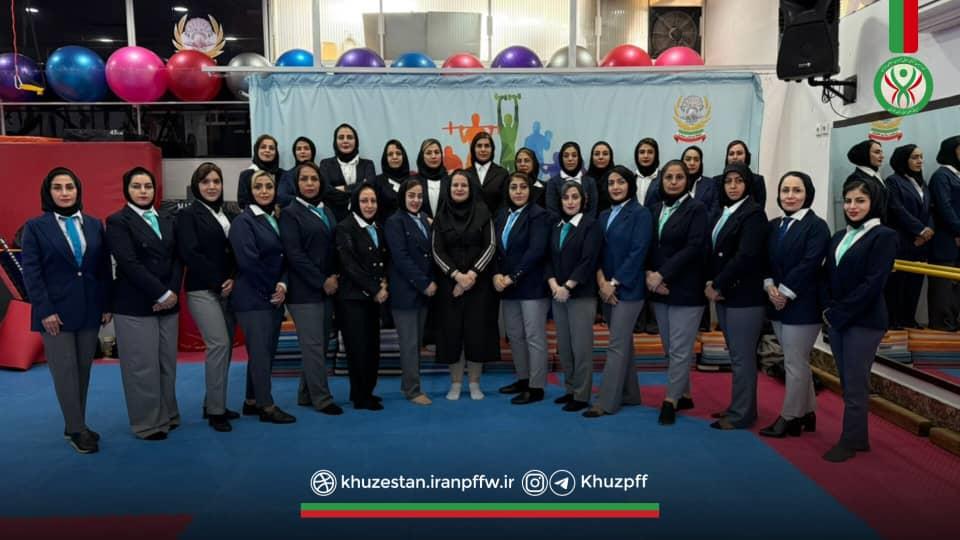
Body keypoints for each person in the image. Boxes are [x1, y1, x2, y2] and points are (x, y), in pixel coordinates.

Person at [21, 167, 111, 453]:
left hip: (89, 308)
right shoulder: (35, 227)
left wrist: (106, 304)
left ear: (78, 190)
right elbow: (31, 273)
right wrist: (45, 310)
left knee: (82, 371)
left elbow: (102, 269)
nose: (64, 193)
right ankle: (76, 429)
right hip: (54, 314)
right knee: (65, 372)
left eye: (69, 187)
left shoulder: (94, 225)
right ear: (48, 193)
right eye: (57, 188)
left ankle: (75, 422)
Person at [821, 177, 897, 462]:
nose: (852, 206)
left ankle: (851, 440)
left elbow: (873, 284)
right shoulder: (839, 236)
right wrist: (828, 308)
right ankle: (859, 437)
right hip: (838, 318)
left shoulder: (884, 236)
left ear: (873, 203)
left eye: (860, 201)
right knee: (847, 380)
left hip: (864, 321)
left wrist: (838, 313)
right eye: (848, 200)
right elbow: (827, 276)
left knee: (855, 383)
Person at [106, 167, 183, 440]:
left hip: (169, 303)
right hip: (135, 305)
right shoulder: (117, 221)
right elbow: (129, 263)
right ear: (126, 189)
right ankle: (147, 423)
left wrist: (172, 291)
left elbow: (177, 258)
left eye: (147, 186)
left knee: (167, 364)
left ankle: (168, 414)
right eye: (136, 186)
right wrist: (160, 294)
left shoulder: (166, 218)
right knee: (142, 367)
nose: (142, 191)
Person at [759, 172, 829, 438]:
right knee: (796, 361)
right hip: (776, 302)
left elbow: (810, 263)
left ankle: (790, 417)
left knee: (794, 363)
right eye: (785, 190)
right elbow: (765, 260)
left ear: (807, 193)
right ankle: (808, 412)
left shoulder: (817, 226)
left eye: (796, 190)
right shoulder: (774, 225)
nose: (790, 196)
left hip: (803, 306)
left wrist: (785, 292)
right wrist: (769, 286)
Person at [175, 162, 240, 432]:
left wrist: (233, 278)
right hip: (202, 289)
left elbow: (235, 250)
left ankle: (213, 402)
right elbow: (190, 253)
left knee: (225, 348)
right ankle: (216, 411)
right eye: (205, 182)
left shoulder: (228, 212)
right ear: (196, 186)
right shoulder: (188, 215)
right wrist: (218, 281)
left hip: (228, 288)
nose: (212, 186)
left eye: (216, 181)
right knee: (219, 344)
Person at [584, 166, 652, 417]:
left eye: (620, 182)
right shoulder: (603, 215)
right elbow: (596, 251)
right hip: (606, 287)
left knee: (616, 345)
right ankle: (630, 394)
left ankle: (606, 402)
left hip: (628, 290)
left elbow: (638, 252)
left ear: (630, 185)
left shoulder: (641, 214)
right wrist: (602, 281)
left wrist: (613, 283)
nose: (615, 187)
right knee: (623, 344)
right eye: (611, 183)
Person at [229, 170, 296, 424]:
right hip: (253, 298)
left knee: (264, 352)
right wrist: (272, 290)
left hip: (273, 295)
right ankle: (266, 406)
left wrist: (283, 284)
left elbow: (285, 257)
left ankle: (251, 400)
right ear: (250, 190)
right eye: (259, 187)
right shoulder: (243, 222)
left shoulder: (275, 218)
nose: (265, 191)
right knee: (260, 354)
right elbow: (249, 262)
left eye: (269, 186)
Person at [644, 160, 707, 425]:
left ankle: (670, 400)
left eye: (679, 177)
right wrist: (650, 274)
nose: (673, 181)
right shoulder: (654, 208)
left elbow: (694, 247)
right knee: (670, 348)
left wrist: (662, 274)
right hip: (658, 288)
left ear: (687, 180)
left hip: (686, 289)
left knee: (680, 349)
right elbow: (648, 246)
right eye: (668, 177)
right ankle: (685, 393)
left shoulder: (697, 208)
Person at [705, 163, 768, 430]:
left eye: (738, 181)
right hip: (726, 294)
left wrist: (717, 283)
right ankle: (738, 406)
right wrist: (713, 282)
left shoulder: (754, 214)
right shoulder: (725, 211)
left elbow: (745, 256)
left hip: (745, 296)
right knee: (736, 356)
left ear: (748, 184)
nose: (733, 186)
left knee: (743, 358)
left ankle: (742, 414)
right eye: (728, 180)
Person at [279, 162, 344, 416]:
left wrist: (334, 275)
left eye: (314, 179)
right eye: (304, 179)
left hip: (327, 289)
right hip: (304, 292)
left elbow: (332, 247)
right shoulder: (290, 213)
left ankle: (305, 393)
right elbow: (294, 255)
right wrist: (322, 280)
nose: (309, 184)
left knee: (319, 345)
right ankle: (322, 398)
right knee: (313, 346)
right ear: (296, 183)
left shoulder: (326, 210)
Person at [432, 170, 499, 400]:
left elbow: (490, 245)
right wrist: (456, 276)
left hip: (478, 284)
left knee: (476, 333)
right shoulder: (441, 216)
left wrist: (471, 275)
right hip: (449, 286)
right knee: (452, 334)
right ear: (448, 189)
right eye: (455, 185)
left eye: (464, 185)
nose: (459, 189)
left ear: (471, 189)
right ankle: (456, 383)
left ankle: (474, 383)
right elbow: (436, 250)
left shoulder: (483, 212)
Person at [494, 172, 552, 404]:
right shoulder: (502, 215)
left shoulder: (539, 215)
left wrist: (513, 276)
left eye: (523, 187)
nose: (518, 191)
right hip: (508, 287)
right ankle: (523, 379)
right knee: (515, 336)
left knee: (534, 337)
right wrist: (497, 274)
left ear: (530, 190)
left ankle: (536, 387)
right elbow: (494, 248)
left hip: (532, 286)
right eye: (513, 187)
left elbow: (536, 251)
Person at [547, 181, 602, 412]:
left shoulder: (591, 225)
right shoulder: (557, 225)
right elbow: (548, 259)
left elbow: (588, 260)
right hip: (558, 294)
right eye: (566, 197)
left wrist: (568, 286)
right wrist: (554, 285)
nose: (570, 202)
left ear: (583, 200)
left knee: (581, 348)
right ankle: (569, 389)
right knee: (565, 346)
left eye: (575, 197)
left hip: (580, 295)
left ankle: (581, 394)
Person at [336, 184, 390, 410]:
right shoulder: (345, 227)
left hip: (373, 299)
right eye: (364, 201)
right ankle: (360, 397)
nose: (369, 205)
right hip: (353, 300)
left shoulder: (377, 226)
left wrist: (384, 282)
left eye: (373, 201)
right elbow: (350, 266)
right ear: (356, 203)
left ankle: (366, 390)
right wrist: (375, 289)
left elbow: (383, 260)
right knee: (357, 349)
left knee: (371, 347)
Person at [384, 179, 436, 406]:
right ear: (403, 196)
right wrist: (424, 283)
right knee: (409, 344)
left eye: (419, 196)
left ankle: (408, 384)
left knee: (416, 344)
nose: (416, 200)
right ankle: (413, 391)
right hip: (406, 293)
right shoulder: (394, 221)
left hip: (423, 293)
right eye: (411, 196)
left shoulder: (424, 218)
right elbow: (401, 258)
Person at [884, 144, 933, 329]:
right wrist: (919, 230)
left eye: (921, 157)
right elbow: (897, 209)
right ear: (903, 160)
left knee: (915, 283)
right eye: (914, 157)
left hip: (921, 243)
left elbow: (930, 209)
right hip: (903, 240)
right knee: (899, 284)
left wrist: (928, 231)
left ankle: (909, 319)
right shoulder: (893, 181)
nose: (919, 161)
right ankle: (894, 320)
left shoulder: (922, 182)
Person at [928, 136, 960, 331]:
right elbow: (944, 207)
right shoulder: (941, 176)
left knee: (955, 285)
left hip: (956, 238)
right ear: (951, 151)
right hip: (946, 240)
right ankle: (942, 325)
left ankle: (952, 322)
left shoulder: (956, 175)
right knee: (943, 285)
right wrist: (958, 230)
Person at [319, 123, 377, 221]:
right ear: (335, 141)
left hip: (362, 217)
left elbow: (370, 185)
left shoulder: (367, 164)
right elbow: (325, 190)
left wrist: (344, 188)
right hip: (335, 217)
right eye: (341, 137)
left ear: (356, 141)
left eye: (349, 137)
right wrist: (359, 187)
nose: (345, 141)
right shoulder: (325, 164)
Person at [546, 142, 598, 218]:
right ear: (561, 159)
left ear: (579, 158)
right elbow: (552, 211)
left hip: (586, 224)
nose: (570, 159)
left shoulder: (590, 182)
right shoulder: (552, 183)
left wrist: (583, 224)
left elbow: (592, 210)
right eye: (566, 156)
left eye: (574, 155)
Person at [464, 132, 510, 216]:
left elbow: (505, 204)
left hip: (495, 222)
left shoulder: (502, 174)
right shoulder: (465, 174)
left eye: (487, 146)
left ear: (492, 149)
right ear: (473, 149)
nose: (483, 149)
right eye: (479, 146)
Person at [372, 139, 416, 224]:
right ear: (385, 158)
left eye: (398, 153)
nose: (395, 157)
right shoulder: (377, 181)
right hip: (387, 229)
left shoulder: (413, 180)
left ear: (403, 156)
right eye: (390, 154)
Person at [715, 140, 766, 211]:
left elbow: (759, 209)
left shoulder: (757, 180)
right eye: (731, 154)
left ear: (746, 156)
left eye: (739, 153)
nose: (735, 157)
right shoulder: (716, 181)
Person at [237, 134, 281, 209]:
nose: (267, 150)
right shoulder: (246, 175)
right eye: (263, 147)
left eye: (271, 148)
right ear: (256, 150)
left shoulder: (281, 174)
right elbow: (243, 203)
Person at [278, 136, 317, 208]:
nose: (302, 151)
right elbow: (281, 197)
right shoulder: (287, 175)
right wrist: (305, 201)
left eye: (306, 148)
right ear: (295, 153)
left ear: (312, 152)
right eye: (299, 149)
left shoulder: (320, 173)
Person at [416, 138, 449, 219]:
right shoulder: (413, 181)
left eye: (437, 152)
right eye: (428, 153)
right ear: (422, 157)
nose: (433, 156)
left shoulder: (450, 180)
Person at [588, 141, 616, 213]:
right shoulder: (585, 180)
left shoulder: (617, 179)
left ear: (611, 157)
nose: (601, 157)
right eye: (597, 154)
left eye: (605, 154)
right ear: (592, 157)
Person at [633, 138, 661, 207]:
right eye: (642, 152)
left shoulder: (663, 178)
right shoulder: (631, 178)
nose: (646, 156)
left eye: (650, 152)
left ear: (656, 155)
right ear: (637, 155)